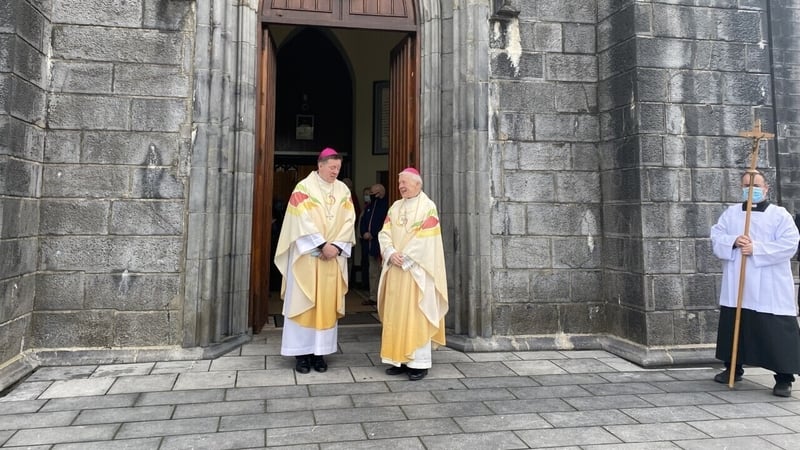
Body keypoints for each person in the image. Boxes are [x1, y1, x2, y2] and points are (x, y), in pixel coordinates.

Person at [711, 171, 800, 397]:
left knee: (775, 329)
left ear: (766, 188)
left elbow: (790, 243)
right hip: (738, 283)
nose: (750, 189)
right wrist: (733, 241)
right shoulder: (732, 214)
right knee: (736, 326)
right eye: (746, 185)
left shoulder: (779, 215)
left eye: (756, 185)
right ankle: (733, 368)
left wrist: (757, 249)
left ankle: (783, 378)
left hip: (769, 284)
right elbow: (716, 235)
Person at [273, 148, 356, 374]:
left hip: (331, 260)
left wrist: (337, 247)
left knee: (325, 307)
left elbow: (349, 220)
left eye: (338, 168)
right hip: (307, 259)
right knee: (304, 303)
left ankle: (319, 354)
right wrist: (321, 245)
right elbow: (299, 219)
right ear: (320, 165)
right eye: (332, 168)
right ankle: (301, 355)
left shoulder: (343, 191)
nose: (335, 172)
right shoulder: (303, 188)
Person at [378, 168, 448, 381]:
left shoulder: (428, 207)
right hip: (395, 271)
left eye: (405, 182)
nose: (401, 186)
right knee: (396, 316)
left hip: (417, 271)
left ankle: (418, 363)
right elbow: (384, 233)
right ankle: (397, 359)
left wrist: (405, 258)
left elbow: (427, 239)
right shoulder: (395, 207)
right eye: (400, 183)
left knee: (416, 312)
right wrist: (390, 253)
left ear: (418, 184)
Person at [359, 183, 388, 305]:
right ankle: (373, 296)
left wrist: (374, 234)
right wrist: (364, 232)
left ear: (380, 193)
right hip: (369, 245)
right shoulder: (369, 206)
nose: (370, 196)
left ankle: (382, 298)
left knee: (382, 272)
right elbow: (363, 221)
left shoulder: (386, 205)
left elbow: (385, 224)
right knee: (372, 272)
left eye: (373, 194)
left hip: (380, 245)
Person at [359, 187, 372, 289]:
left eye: (368, 194)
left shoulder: (371, 207)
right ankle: (365, 283)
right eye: (365, 194)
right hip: (362, 238)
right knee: (364, 261)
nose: (366, 196)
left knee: (369, 262)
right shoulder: (365, 207)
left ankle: (368, 285)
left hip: (370, 239)